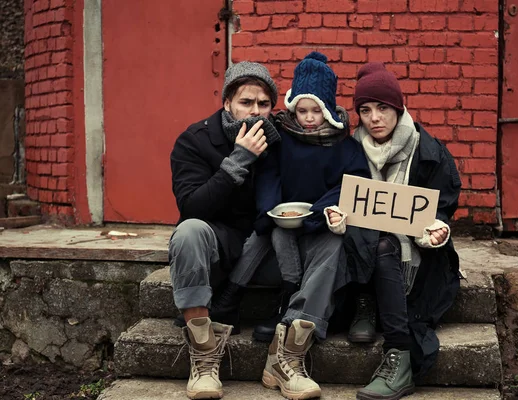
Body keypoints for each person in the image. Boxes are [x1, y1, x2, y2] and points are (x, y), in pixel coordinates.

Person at [215, 52, 372, 400]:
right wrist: (272, 210)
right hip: (283, 229)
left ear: (329, 108)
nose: (310, 118)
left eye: (317, 110)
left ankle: (289, 343)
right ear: (291, 109)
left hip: (318, 228)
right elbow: (268, 176)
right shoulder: (281, 138)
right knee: (267, 232)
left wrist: (319, 213)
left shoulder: (345, 146)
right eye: (302, 111)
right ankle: (236, 300)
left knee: (334, 245)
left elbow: (350, 184)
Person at [340, 63, 462, 400]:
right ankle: (365, 302)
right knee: (372, 239)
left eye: (382, 108)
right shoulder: (348, 152)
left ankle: (400, 354)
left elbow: (440, 210)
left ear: (398, 108)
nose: (374, 118)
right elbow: (341, 202)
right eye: (365, 110)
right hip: (358, 254)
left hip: (416, 257)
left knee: (384, 243)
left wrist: (436, 231)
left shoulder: (429, 152)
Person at [168, 61, 280, 399]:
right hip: (217, 242)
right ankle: (203, 355)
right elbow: (192, 208)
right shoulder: (195, 140)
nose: (255, 112)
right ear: (227, 102)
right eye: (246, 102)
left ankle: (288, 355)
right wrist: (240, 158)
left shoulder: (281, 139)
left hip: (269, 247)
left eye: (263, 104)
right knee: (188, 233)